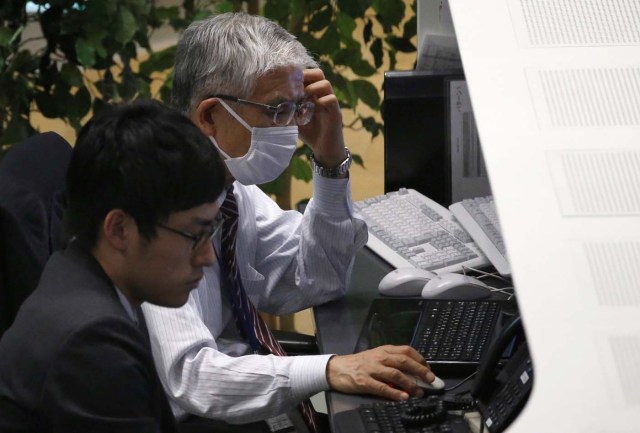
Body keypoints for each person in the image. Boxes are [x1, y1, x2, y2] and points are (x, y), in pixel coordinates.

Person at [142, 12, 437, 432]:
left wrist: (330, 160)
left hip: (242, 406)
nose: (294, 126)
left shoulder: (228, 187)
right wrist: (328, 369)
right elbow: (192, 375)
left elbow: (317, 279)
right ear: (209, 116)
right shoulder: (157, 210)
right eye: (278, 109)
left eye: (298, 108)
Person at [0, 100, 226, 432]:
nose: (207, 257)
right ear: (119, 230)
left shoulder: (76, 273)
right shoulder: (91, 346)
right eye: (194, 234)